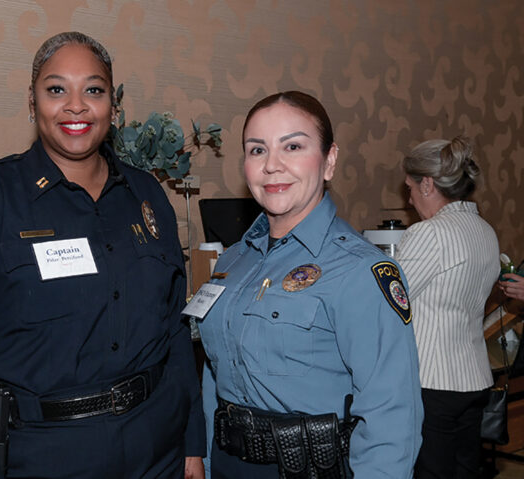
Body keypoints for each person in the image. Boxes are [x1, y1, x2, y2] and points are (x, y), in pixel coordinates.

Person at [0, 31, 205, 479]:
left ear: (114, 103)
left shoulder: (147, 195)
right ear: (32, 104)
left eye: (94, 89)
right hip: (45, 453)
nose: (76, 106)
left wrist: (192, 443)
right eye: (56, 90)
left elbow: (174, 329)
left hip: (157, 447)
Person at [195, 91, 423, 478]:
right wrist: (201, 459)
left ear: (329, 160)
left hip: (309, 469)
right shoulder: (231, 263)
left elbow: (391, 415)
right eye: (256, 150)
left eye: (293, 146)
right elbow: (212, 375)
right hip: (229, 465)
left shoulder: (361, 271)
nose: (272, 166)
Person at [394, 136, 499, 478]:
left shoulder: (430, 233)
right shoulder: (485, 231)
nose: (408, 199)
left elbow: (388, 302)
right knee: (464, 471)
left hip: (433, 382)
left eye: (410, 188)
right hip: (474, 378)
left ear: (427, 184)